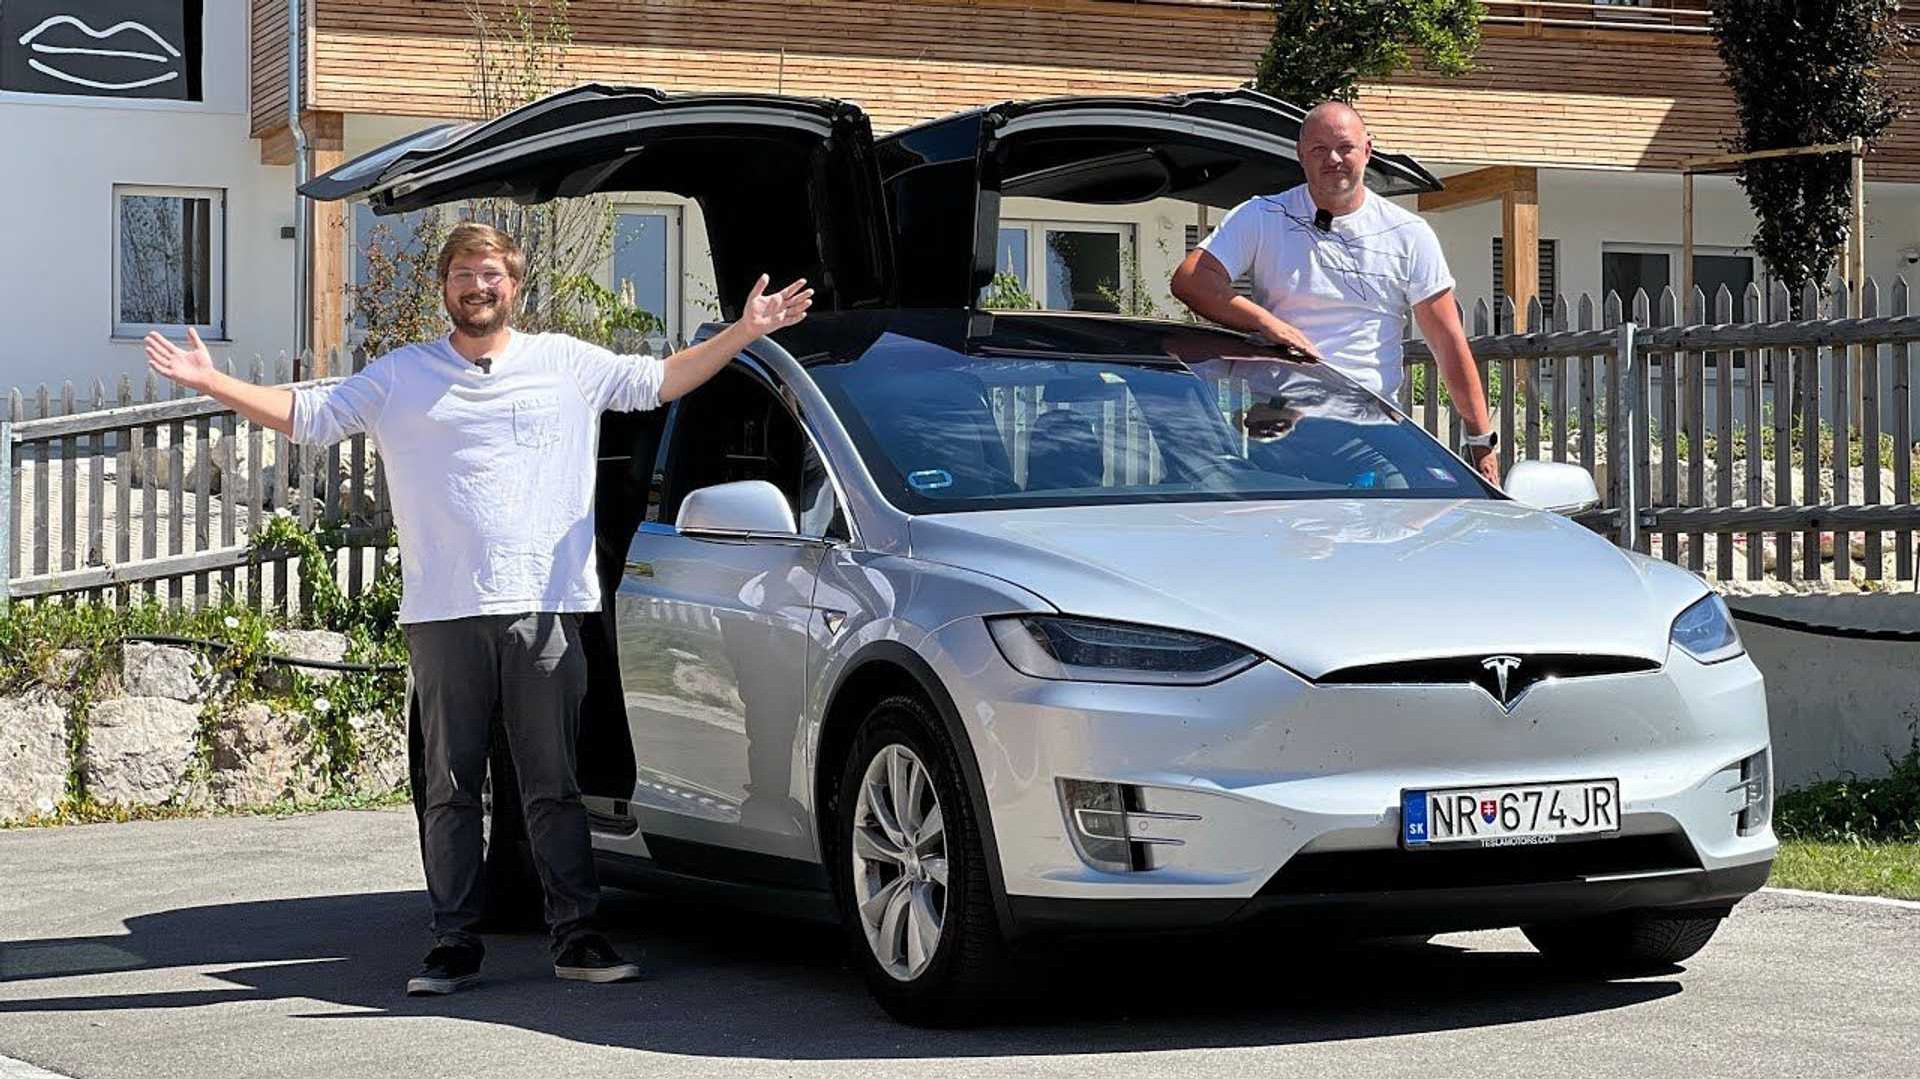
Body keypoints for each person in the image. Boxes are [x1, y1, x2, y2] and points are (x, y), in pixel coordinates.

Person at [143, 222, 812, 996]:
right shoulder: (403, 376)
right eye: (463, 273)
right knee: (451, 788)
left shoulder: (565, 364)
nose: (477, 286)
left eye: (490, 272)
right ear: (445, 288)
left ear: (513, 285)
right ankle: (453, 942)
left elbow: (660, 380)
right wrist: (212, 381)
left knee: (552, 784)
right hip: (445, 611)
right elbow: (308, 415)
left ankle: (578, 936)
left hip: (546, 607)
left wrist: (744, 331)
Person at [1170, 100, 1503, 485]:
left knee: (1428, 502)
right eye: (1319, 149)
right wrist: (1268, 324)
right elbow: (1191, 280)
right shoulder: (1263, 216)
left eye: (1345, 147)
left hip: (1370, 425)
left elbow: (1447, 342)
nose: (1333, 159)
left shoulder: (1408, 234)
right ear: (1300, 155)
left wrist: (1481, 443)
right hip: (1281, 430)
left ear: (1367, 150)